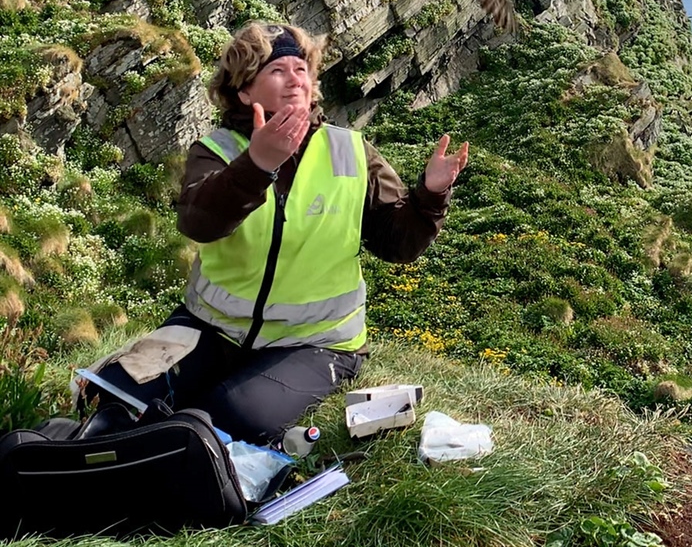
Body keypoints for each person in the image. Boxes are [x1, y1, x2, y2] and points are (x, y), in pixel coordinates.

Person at [88, 22, 468, 444]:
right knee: (111, 395)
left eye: (300, 69)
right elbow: (200, 223)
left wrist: (431, 194)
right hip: (212, 328)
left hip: (314, 342)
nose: (294, 79)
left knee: (224, 421)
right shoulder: (217, 151)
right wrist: (257, 165)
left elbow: (397, 244)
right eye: (276, 71)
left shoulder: (351, 151)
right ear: (244, 92)